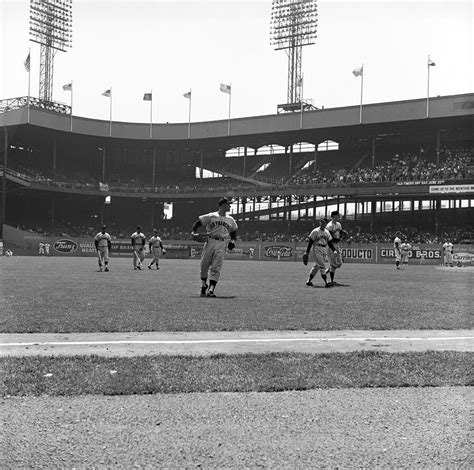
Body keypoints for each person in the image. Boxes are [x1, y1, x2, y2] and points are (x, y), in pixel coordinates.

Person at [191, 197, 238, 297]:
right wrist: (193, 232)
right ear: (223, 205)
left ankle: (211, 289)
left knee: (216, 267)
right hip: (210, 241)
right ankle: (204, 285)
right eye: (228, 204)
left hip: (222, 243)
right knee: (204, 266)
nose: (230, 206)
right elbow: (197, 223)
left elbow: (233, 231)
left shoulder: (231, 219)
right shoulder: (211, 216)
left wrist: (232, 241)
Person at [303, 218, 335, 288]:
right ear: (320, 223)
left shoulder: (327, 232)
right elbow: (310, 242)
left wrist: (334, 250)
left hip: (324, 248)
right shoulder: (315, 231)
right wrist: (307, 252)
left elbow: (330, 243)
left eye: (324, 222)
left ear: (326, 224)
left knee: (316, 266)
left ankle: (308, 281)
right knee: (322, 265)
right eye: (321, 222)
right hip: (316, 248)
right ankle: (326, 282)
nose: (322, 223)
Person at [325, 210, 347, 284]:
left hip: (337, 244)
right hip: (331, 245)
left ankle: (328, 270)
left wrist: (342, 235)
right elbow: (329, 238)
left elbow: (340, 232)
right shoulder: (329, 226)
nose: (339, 216)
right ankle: (331, 281)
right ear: (334, 216)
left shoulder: (338, 224)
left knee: (339, 263)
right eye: (337, 215)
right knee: (333, 264)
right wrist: (339, 239)